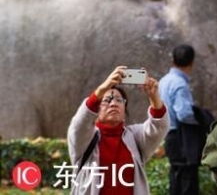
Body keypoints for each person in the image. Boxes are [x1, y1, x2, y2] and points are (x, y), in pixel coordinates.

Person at [67, 66, 169, 195]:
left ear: (124, 112)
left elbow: (158, 127)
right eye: (107, 100)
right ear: (95, 111)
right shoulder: (86, 139)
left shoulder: (134, 137)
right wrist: (102, 89)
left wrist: (154, 97)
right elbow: (79, 125)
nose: (114, 104)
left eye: (119, 100)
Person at [159, 45, 208, 195]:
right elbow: (184, 114)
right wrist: (201, 121)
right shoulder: (180, 84)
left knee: (176, 179)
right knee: (188, 183)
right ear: (192, 62)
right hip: (182, 139)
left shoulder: (164, 81)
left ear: (173, 60)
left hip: (169, 135)